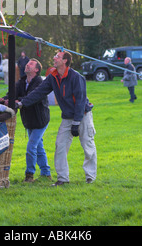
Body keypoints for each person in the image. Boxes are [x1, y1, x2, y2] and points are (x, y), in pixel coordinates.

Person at [17, 51, 97, 186]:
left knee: (87, 146)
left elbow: (80, 101)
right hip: (67, 117)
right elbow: (39, 92)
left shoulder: (76, 77)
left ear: (65, 61)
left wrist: (76, 123)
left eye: (57, 57)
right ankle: (62, 179)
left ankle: (90, 177)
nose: (54, 58)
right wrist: (22, 103)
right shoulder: (53, 77)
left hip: (82, 115)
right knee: (60, 146)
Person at [0, 58, 51, 182]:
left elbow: (32, 97)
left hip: (40, 120)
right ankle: (46, 173)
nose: (27, 65)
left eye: (31, 64)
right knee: (38, 147)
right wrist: (4, 99)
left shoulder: (40, 83)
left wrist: (18, 101)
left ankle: (29, 175)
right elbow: (13, 94)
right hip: (29, 120)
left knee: (31, 147)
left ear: (36, 69)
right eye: (27, 64)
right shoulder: (21, 82)